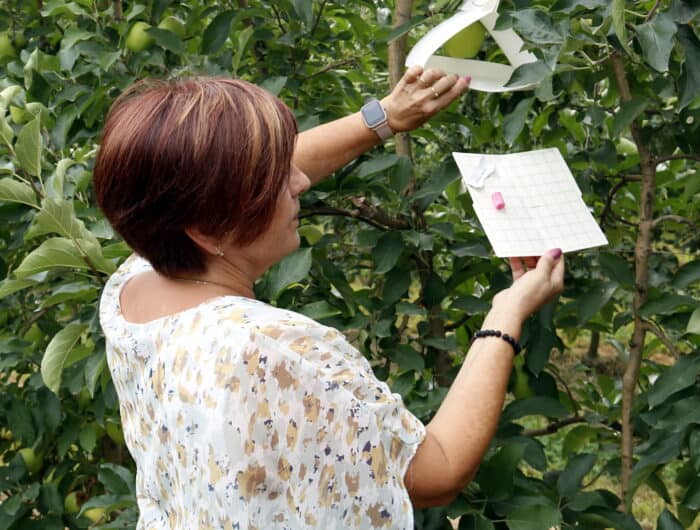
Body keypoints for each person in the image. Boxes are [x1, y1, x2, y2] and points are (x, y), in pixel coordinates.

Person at [94, 66, 564, 529]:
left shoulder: (132, 287)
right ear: (205, 226)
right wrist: (506, 313)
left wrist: (383, 117)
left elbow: (219, 176)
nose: (299, 182)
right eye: (276, 179)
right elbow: (435, 472)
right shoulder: (272, 350)